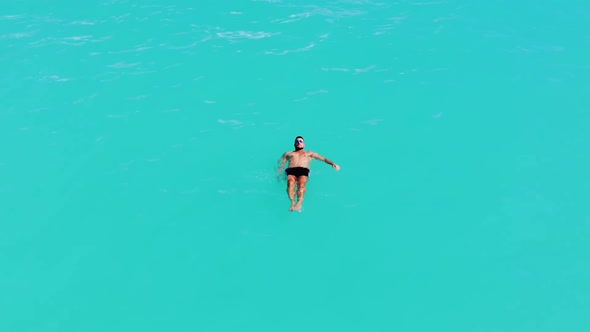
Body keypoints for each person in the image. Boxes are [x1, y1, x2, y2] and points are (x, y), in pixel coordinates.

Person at [277, 136, 340, 211]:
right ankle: (293, 202)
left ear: (304, 144)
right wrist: (279, 173)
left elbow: (323, 159)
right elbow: (281, 164)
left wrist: (333, 163)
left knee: (301, 185)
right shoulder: (288, 154)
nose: (299, 142)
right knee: (290, 183)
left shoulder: (309, 153)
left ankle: (299, 203)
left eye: (301, 141)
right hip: (291, 170)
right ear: (294, 144)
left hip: (303, 170)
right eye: (297, 141)